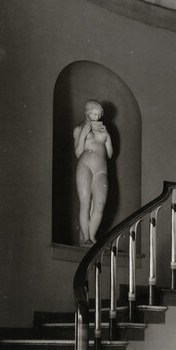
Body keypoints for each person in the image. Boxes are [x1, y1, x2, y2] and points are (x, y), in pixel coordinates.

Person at [73, 100, 113, 245]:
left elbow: (109, 154)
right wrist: (83, 135)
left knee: (100, 205)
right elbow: (78, 153)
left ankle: (92, 235)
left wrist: (107, 136)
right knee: (85, 202)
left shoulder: (103, 131)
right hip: (85, 166)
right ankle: (86, 238)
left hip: (101, 170)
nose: (96, 117)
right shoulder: (79, 128)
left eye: (98, 114)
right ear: (87, 113)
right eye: (93, 114)